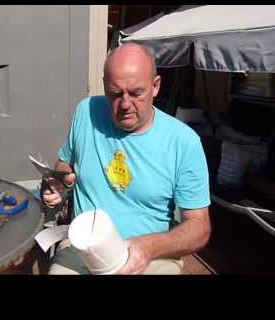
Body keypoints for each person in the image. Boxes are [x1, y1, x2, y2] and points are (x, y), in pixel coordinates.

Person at [42, 43, 211, 275]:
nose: (124, 104)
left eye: (136, 93)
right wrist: (60, 183)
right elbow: (64, 165)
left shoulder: (183, 142)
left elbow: (199, 227)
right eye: (115, 93)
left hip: (151, 256)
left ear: (155, 86)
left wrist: (150, 246)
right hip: (82, 250)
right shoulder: (86, 112)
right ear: (104, 85)